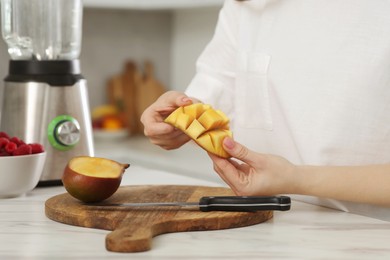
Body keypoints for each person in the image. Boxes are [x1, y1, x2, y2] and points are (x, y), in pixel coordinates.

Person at [141, 0, 390, 220]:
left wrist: (296, 179)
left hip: (368, 236)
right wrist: (177, 117)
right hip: (262, 228)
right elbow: (216, 90)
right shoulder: (245, 4)